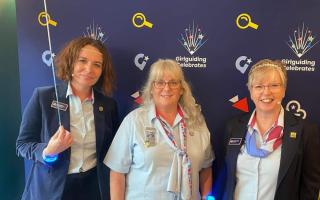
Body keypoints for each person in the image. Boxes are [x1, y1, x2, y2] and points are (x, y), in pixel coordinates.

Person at [16, 36, 119, 200]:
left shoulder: (108, 105)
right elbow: (22, 144)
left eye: (97, 65)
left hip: (93, 189)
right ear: (70, 62)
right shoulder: (43, 97)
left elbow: (113, 152)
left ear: (102, 71)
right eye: (82, 61)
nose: (89, 69)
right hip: (51, 190)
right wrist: (48, 152)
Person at [104, 59, 214, 200]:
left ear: (182, 89)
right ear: (151, 88)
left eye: (173, 82)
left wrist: (207, 197)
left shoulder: (197, 122)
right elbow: (117, 172)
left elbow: (206, 167)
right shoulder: (134, 121)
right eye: (160, 82)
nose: (166, 88)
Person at [223, 59, 320, 200]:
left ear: (284, 90)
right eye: (259, 86)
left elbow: (310, 187)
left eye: (274, 85)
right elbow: (226, 179)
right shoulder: (233, 127)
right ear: (250, 91)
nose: (266, 92)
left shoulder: (305, 131)